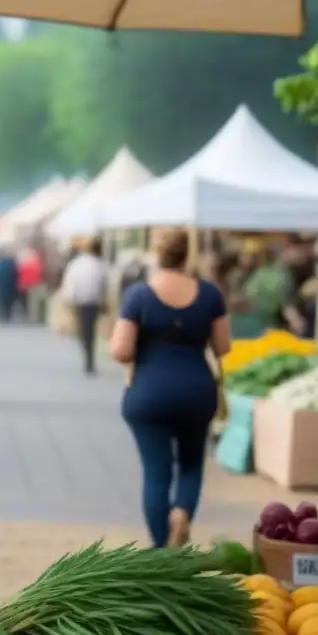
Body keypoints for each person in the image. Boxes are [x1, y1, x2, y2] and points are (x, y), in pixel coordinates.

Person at [109, 229, 231, 548]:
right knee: (191, 464)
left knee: (156, 473)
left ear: (155, 253)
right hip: (196, 391)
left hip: (149, 393)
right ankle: (182, 512)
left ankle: (162, 549)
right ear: (186, 253)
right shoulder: (209, 295)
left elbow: (121, 350)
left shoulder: (139, 296)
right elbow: (223, 346)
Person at [60, 237, 109, 375]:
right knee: (90, 330)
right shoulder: (100, 265)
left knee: (85, 330)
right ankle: (89, 358)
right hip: (93, 301)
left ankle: (88, 357)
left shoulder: (77, 264)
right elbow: (104, 284)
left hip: (80, 301)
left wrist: (69, 299)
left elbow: (70, 282)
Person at [0, 248, 19, 322]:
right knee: (9, 300)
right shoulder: (11, 262)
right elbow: (16, 274)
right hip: (10, 285)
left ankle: (4, 314)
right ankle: (7, 314)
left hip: (1, 285)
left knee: (2, 300)